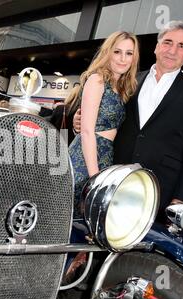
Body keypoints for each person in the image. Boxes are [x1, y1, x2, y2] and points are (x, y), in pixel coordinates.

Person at [73, 21, 183, 222]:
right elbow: (106, 117)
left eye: (182, 46)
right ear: (157, 46)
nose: (172, 50)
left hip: (159, 189)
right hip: (114, 177)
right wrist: (80, 122)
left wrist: (182, 199)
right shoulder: (128, 81)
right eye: (167, 42)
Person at [69, 31, 140, 217]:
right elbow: (86, 131)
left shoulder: (123, 87)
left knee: (89, 222)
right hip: (85, 157)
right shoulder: (97, 79)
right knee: (74, 216)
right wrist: (95, 177)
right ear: (108, 52)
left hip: (106, 156)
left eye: (129, 53)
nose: (123, 58)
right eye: (117, 52)